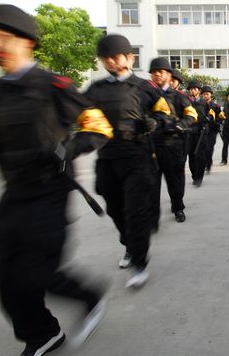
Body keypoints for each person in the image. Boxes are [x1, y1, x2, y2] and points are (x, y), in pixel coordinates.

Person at [0, 5, 109, 356]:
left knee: (38, 272)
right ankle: (43, 334)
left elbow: (98, 126)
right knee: (7, 279)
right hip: (14, 192)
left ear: (26, 41)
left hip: (51, 191)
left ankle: (89, 296)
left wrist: (68, 148)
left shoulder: (53, 84)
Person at [85, 34, 159, 289]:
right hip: (107, 158)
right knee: (115, 210)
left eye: (115, 57)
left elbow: (165, 114)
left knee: (135, 212)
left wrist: (154, 123)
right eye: (105, 58)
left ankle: (139, 263)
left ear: (130, 58)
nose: (110, 62)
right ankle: (129, 244)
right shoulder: (95, 90)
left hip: (137, 158)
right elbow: (80, 116)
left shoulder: (146, 87)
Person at [147, 57, 197, 227]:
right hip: (151, 147)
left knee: (175, 180)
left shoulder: (178, 96)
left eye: (161, 72)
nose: (157, 75)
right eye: (154, 72)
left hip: (172, 146)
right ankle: (153, 216)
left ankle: (178, 208)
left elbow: (191, 115)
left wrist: (179, 126)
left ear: (169, 75)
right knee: (151, 184)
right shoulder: (145, 96)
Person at [185, 79, 207, 187]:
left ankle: (199, 177)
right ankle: (194, 176)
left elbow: (210, 114)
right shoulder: (186, 101)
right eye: (190, 89)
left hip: (201, 132)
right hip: (190, 131)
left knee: (200, 156)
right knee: (191, 156)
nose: (192, 91)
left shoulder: (204, 102)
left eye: (194, 89)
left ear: (199, 90)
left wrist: (209, 119)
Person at [201, 85, 221, 173]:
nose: (205, 96)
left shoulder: (216, 106)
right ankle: (206, 163)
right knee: (203, 148)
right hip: (202, 130)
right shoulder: (199, 105)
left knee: (209, 147)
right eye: (204, 94)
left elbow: (220, 117)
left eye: (207, 94)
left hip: (213, 130)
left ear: (211, 95)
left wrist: (218, 123)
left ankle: (208, 164)